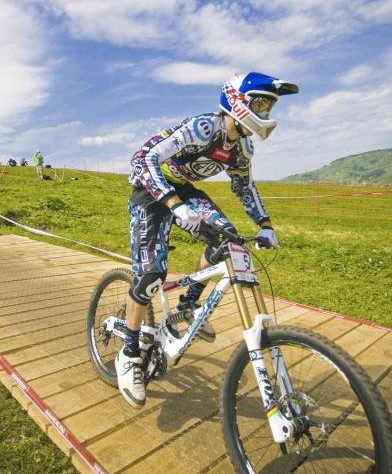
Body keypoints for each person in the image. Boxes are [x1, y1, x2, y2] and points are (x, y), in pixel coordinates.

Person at [115, 71, 299, 408]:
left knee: (228, 240)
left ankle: (186, 307)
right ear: (237, 103)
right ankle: (129, 354)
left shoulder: (242, 147)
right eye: (260, 103)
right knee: (151, 275)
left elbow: (245, 188)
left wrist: (265, 225)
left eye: (269, 107)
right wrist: (173, 203)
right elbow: (145, 159)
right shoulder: (204, 128)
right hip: (150, 190)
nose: (265, 112)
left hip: (185, 192)